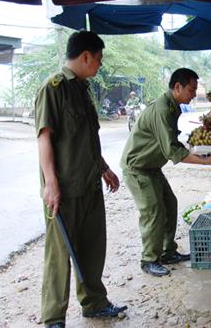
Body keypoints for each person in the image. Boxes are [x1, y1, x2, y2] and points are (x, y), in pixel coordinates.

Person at [34, 31, 127, 328]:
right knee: (60, 255)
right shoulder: (53, 88)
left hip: (89, 186)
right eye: (98, 59)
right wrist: (51, 183)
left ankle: (94, 303)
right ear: (85, 56)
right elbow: (44, 138)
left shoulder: (83, 90)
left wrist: (104, 168)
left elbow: (86, 140)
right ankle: (53, 317)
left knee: (92, 248)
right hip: (64, 190)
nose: (99, 65)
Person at [120, 68, 211, 277]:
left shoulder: (173, 107)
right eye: (191, 90)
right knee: (154, 211)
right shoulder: (163, 109)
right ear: (177, 87)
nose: (194, 94)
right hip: (137, 169)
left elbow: (173, 143)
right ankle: (149, 259)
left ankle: (168, 252)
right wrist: (208, 161)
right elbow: (173, 151)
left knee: (170, 204)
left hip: (152, 166)